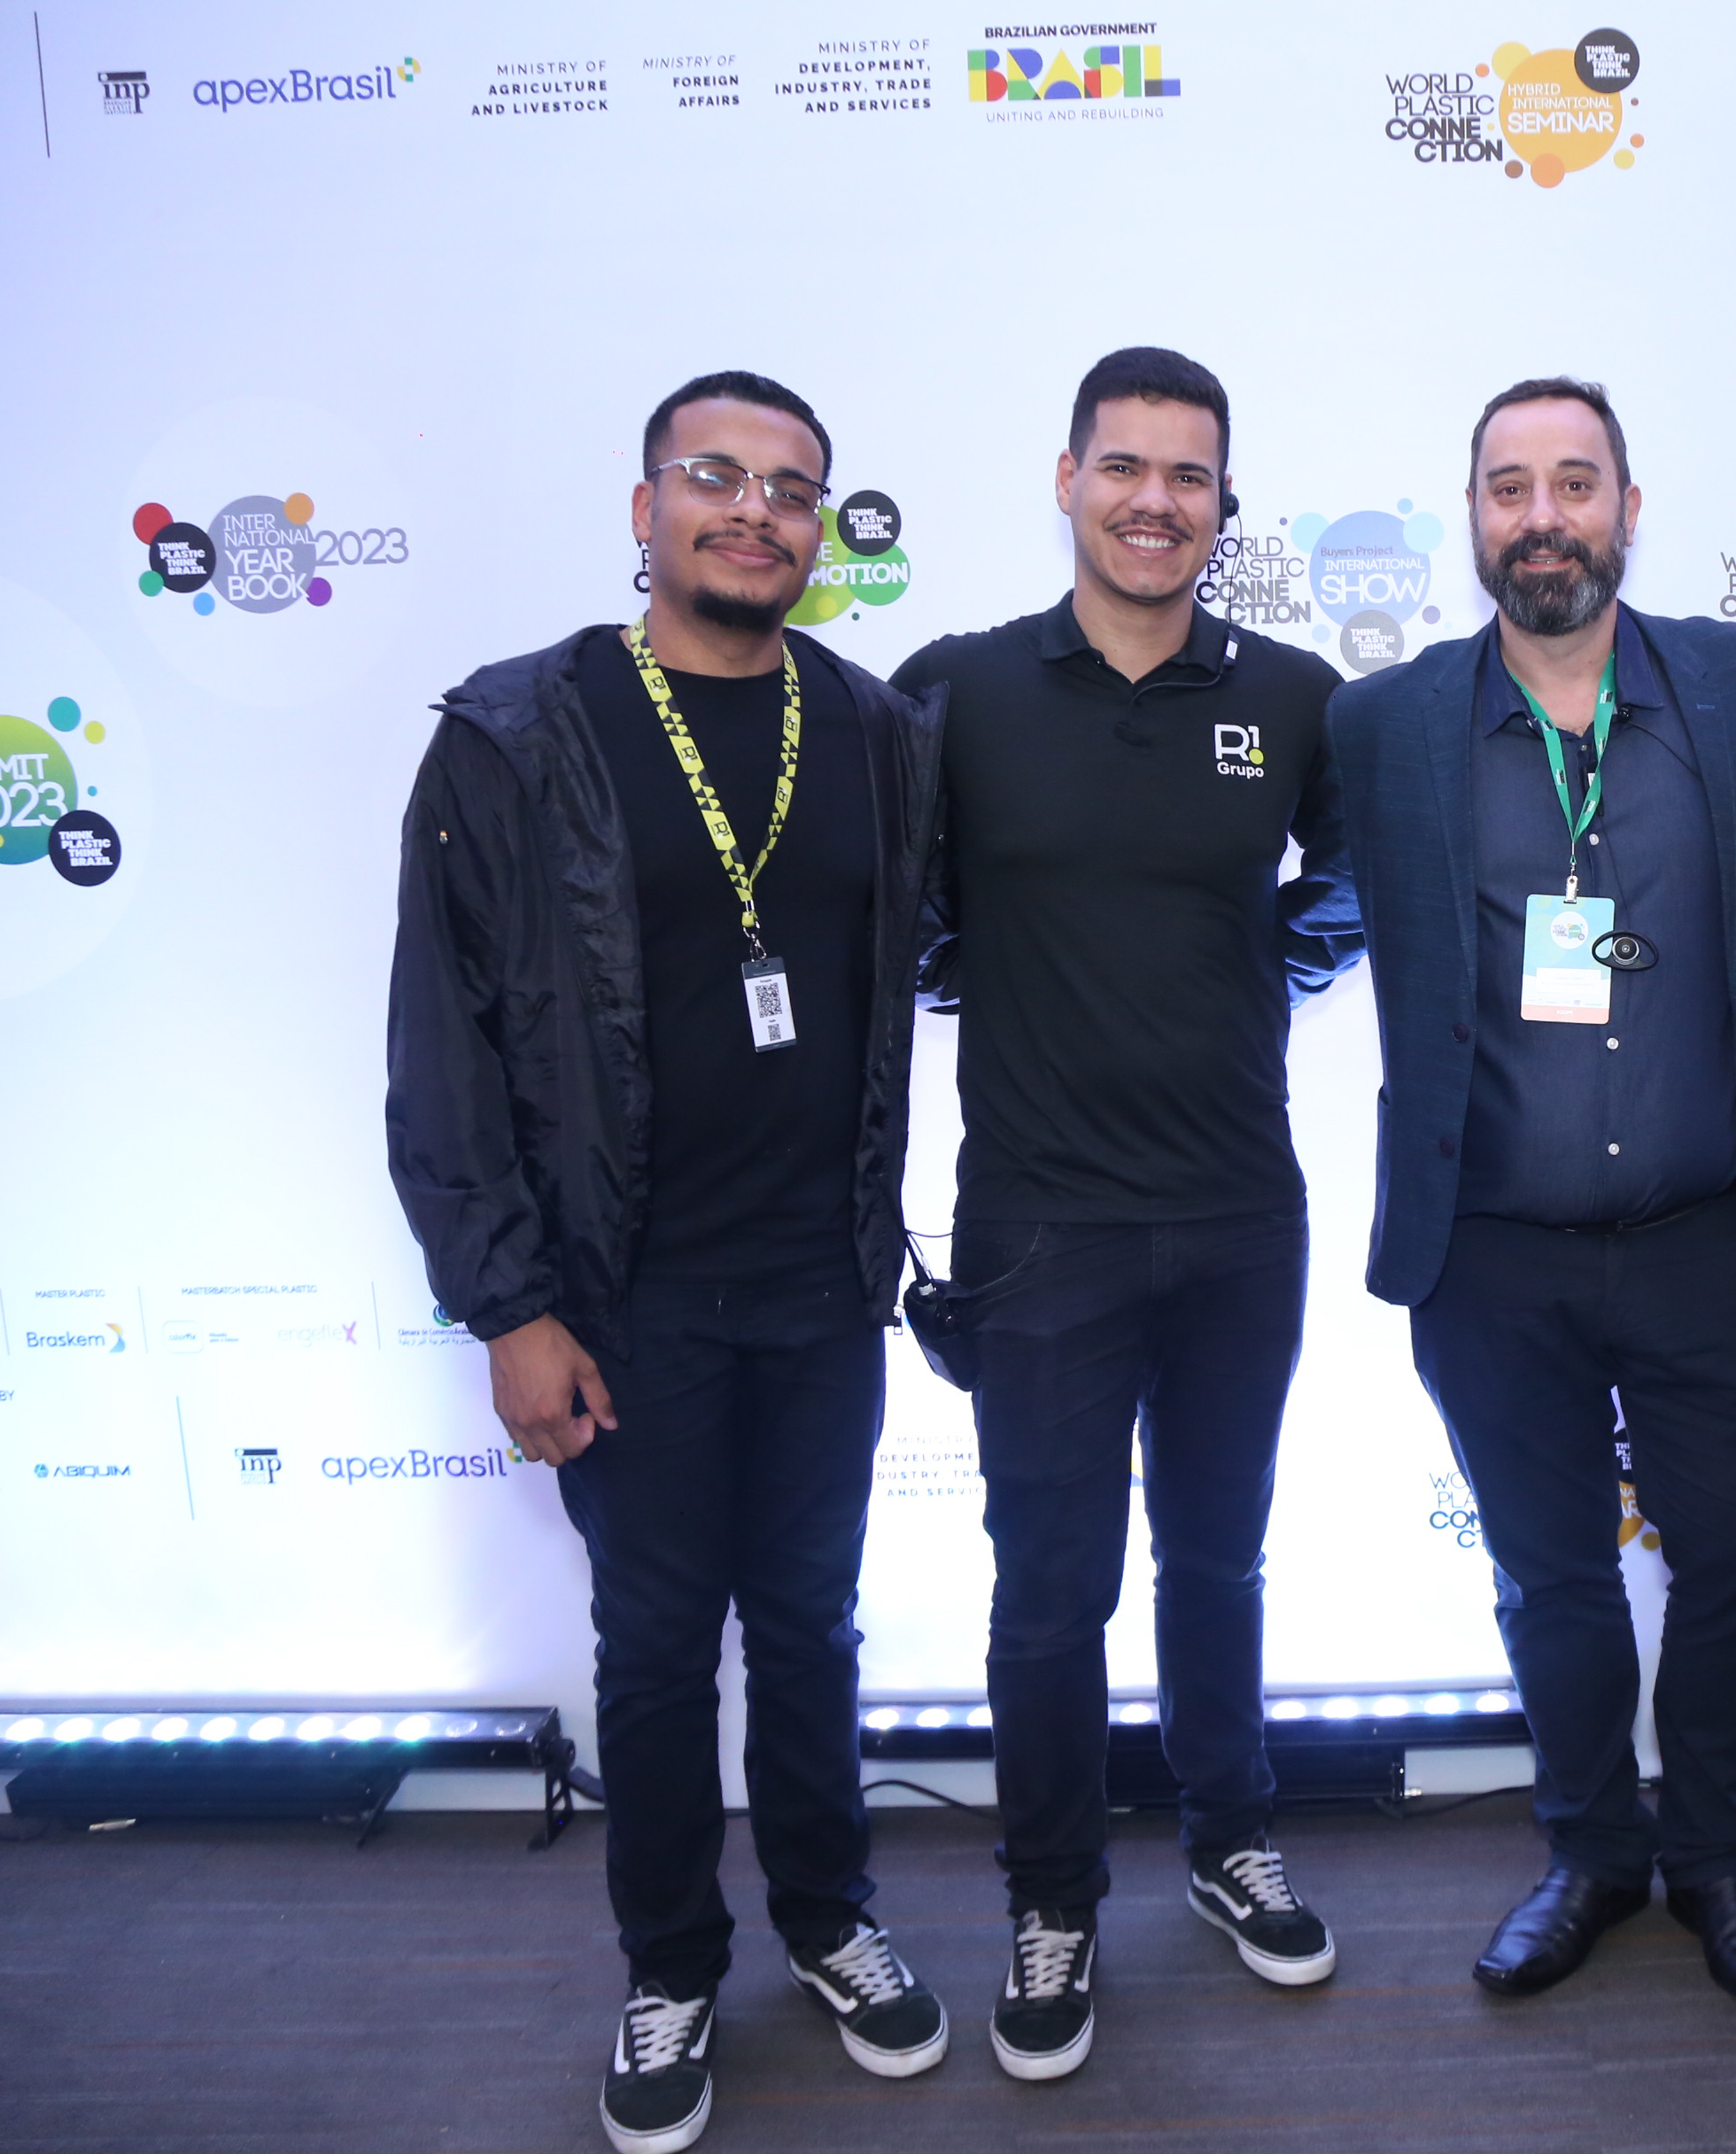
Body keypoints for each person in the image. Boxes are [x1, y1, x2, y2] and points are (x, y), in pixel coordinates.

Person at [387, 370, 950, 2154]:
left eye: (793, 487)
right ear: (647, 509)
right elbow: (444, 1047)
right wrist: (509, 1304)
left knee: (812, 1629)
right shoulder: (515, 735)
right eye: (716, 474)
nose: (755, 509)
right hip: (619, 1296)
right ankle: (671, 1966)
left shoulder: (872, 730)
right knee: (649, 1649)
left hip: (823, 1282)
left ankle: (831, 1919)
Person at [890, 346, 1360, 2084]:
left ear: (1225, 503)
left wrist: (1252, 968)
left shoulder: (1296, 697)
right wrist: (995, 977)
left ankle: (1231, 1839)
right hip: (1040, 1231)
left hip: (1242, 1216)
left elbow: (1355, 885)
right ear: (1067, 477)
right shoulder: (957, 687)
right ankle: (1053, 1902)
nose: (1155, 500)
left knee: (1219, 1560)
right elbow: (895, 915)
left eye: (1189, 474)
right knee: (1049, 1591)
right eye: (1125, 466)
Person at [1326, 377, 1736, 2006]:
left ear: (1627, 507)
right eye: (1509, 487)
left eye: (1575, 483)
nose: (1543, 517)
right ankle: (1593, 1848)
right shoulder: (1385, 724)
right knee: (1552, 1577)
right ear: (1474, 517)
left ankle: (1720, 1852)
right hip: (1489, 1248)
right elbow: (1303, 908)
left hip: (1705, 1234)